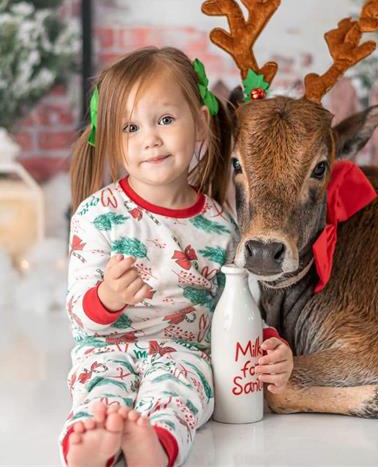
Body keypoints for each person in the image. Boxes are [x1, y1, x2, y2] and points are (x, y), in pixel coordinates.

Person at [62, 47, 293, 467]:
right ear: (113, 139)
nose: (150, 138)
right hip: (107, 347)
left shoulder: (222, 227)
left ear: (201, 122)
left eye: (165, 120)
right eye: (131, 127)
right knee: (100, 392)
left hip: (185, 351)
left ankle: (155, 444)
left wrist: (267, 345)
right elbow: (80, 314)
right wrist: (108, 297)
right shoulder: (97, 215)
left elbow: (238, 308)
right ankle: (91, 445)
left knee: (179, 392)